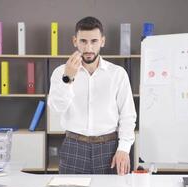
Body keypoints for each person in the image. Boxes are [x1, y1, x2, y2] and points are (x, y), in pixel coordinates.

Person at [48, 16, 136, 175]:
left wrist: (124, 148)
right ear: (75, 41)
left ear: (102, 41)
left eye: (94, 41)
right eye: (83, 41)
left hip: (109, 148)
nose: (88, 48)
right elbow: (56, 108)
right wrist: (68, 79)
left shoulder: (118, 74)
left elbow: (127, 115)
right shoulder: (61, 72)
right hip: (74, 146)